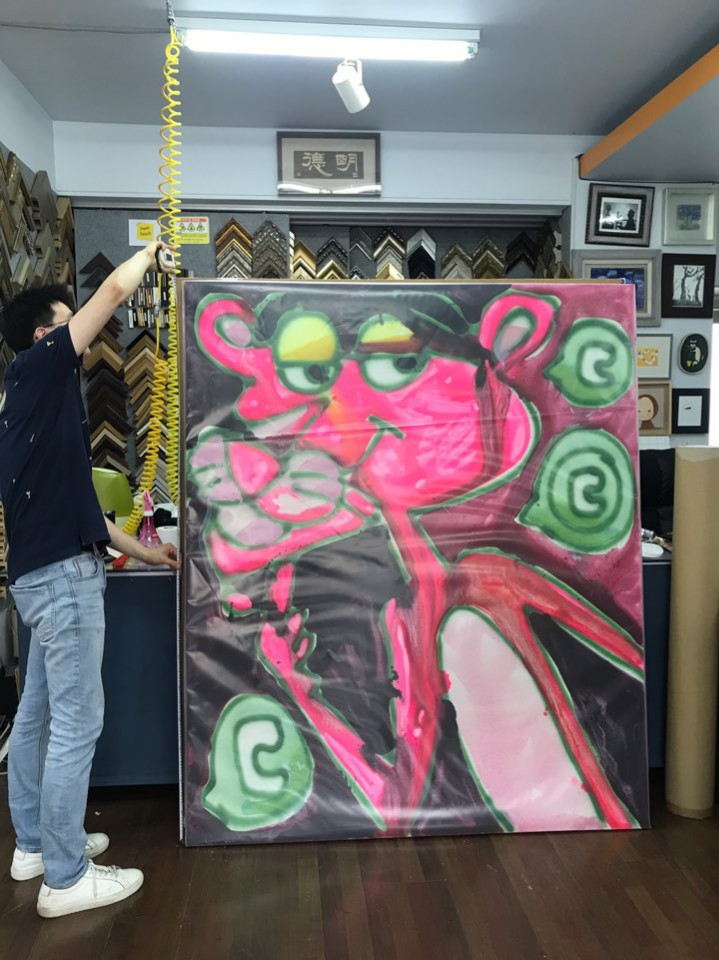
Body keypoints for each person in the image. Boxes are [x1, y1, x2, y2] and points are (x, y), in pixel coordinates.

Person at [0, 241, 179, 919]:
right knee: (77, 722)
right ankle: (67, 877)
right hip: (62, 582)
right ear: (44, 337)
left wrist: (147, 552)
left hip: (37, 576)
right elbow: (111, 296)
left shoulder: (27, 407)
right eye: (65, 321)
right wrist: (148, 253)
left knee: (39, 715)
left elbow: (89, 518)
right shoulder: (40, 370)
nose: (77, 329)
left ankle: (37, 846)